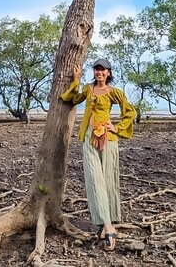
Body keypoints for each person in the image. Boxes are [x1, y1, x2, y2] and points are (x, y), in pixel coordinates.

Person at [60, 58, 135, 251]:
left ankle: (106, 225)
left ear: (108, 73)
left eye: (103, 70)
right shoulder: (88, 89)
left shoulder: (114, 92)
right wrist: (75, 79)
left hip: (108, 139)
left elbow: (130, 111)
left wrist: (116, 127)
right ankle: (106, 225)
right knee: (94, 179)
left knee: (108, 179)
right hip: (88, 137)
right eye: (96, 69)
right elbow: (71, 99)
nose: (99, 73)